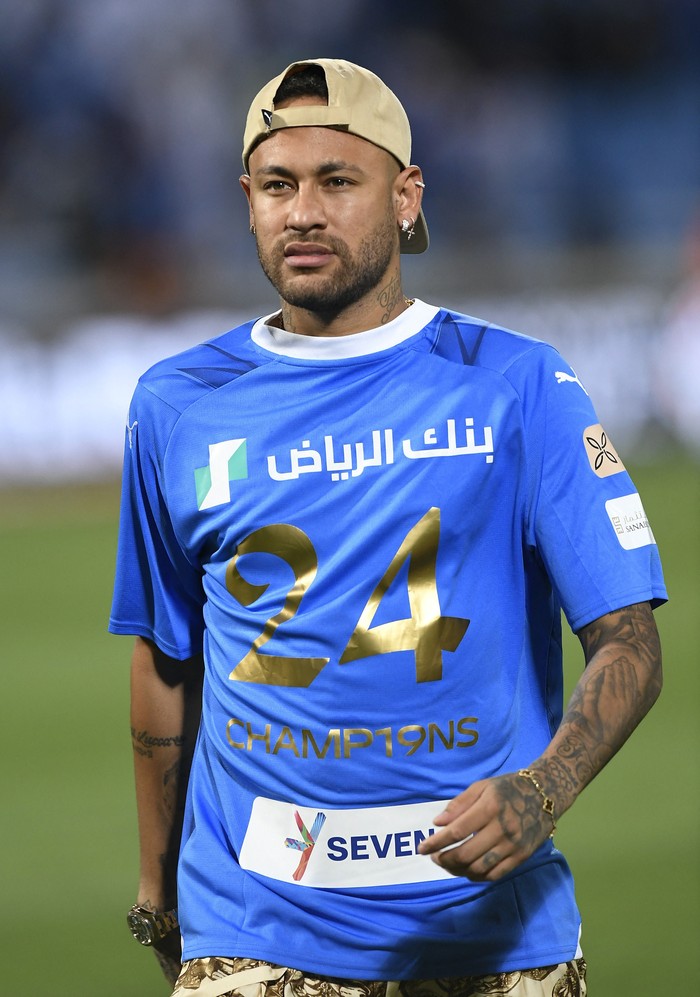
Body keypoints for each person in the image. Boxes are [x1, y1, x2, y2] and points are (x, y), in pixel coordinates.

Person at [111, 59, 666, 997]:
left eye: (338, 181)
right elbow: (167, 659)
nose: (305, 213)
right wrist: (159, 890)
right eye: (279, 186)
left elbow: (630, 639)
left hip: (496, 936)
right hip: (256, 930)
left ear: (407, 196)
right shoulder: (175, 404)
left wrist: (544, 791)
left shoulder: (519, 384)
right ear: (247, 202)